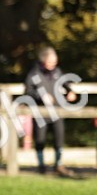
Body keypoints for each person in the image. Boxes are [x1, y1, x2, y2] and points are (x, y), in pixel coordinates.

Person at [23, 46, 79, 176]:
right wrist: (40, 96)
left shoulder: (57, 72)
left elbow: (66, 84)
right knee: (40, 139)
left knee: (59, 138)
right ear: (43, 60)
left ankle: (58, 165)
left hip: (57, 111)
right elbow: (28, 91)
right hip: (41, 113)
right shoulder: (34, 74)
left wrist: (71, 92)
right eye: (51, 61)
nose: (53, 64)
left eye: (55, 61)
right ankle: (41, 166)